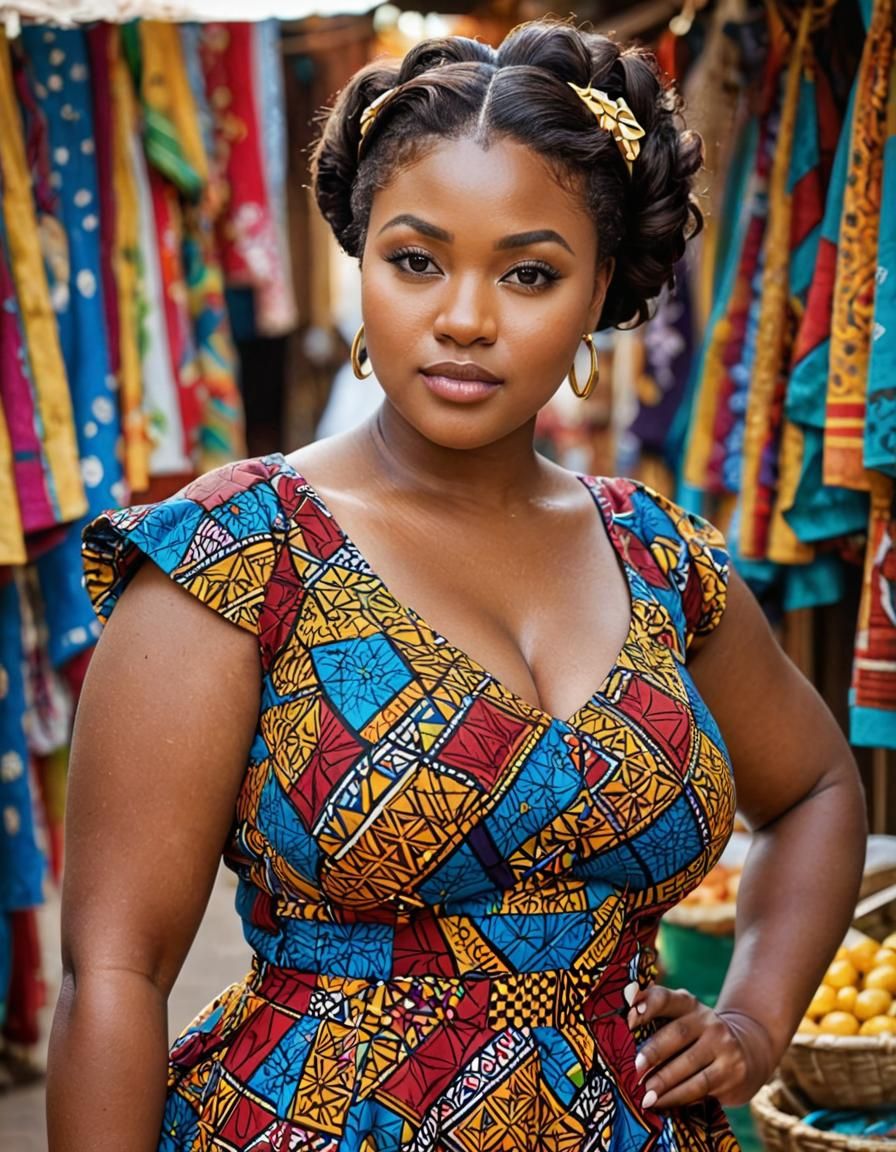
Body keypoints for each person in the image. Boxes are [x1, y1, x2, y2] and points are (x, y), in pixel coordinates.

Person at [47, 19, 866, 1152]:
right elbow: (113, 972)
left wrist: (753, 1019)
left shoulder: (655, 556)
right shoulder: (238, 554)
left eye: (528, 273)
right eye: (416, 259)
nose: (465, 319)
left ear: (597, 299)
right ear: (361, 267)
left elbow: (817, 787)